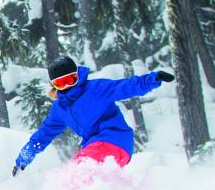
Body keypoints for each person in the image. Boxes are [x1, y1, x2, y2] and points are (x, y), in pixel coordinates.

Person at [12, 55, 175, 181]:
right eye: (61, 83)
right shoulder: (60, 109)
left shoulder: (96, 89)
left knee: (80, 168)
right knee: (83, 173)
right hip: (95, 147)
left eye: (70, 80)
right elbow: (43, 134)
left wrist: (153, 79)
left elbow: (126, 86)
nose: (67, 86)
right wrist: (24, 158)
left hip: (114, 140)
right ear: (54, 85)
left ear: (78, 76)